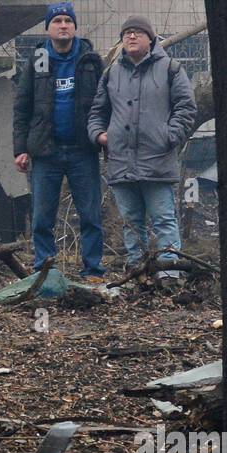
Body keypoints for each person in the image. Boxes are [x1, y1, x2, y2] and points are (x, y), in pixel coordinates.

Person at [87, 16, 196, 279]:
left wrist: (169, 136)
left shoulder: (170, 68)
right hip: (121, 162)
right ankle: (138, 274)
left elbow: (186, 107)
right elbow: (96, 112)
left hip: (157, 160)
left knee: (164, 221)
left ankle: (169, 275)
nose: (131, 37)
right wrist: (100, 136)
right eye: (126, 33)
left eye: (137, 32)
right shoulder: (111, 73)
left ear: (151, 38)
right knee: (131, 224)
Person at [13, 2, 106, 278]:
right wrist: (20, 148)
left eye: (68, 20)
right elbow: (22, 107)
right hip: (45, 151)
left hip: (83, 150)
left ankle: (93, 270)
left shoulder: (90, 60)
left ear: (75, 26)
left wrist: (105, 138)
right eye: (57, 21)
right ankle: (44, 270)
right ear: (48, 28)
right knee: (42, 217)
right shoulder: (36, 60)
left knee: (90, 215)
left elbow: (105, 103)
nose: (63, 25)